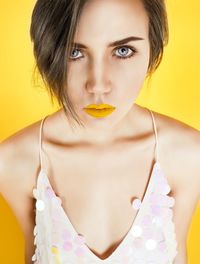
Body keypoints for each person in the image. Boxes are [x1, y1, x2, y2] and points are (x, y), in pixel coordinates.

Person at [0, 0, 199, 263]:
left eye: (124, 50)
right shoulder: (14, 162)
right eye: (74, 52)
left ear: (153, 47)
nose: (98, 85)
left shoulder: (188, 154)